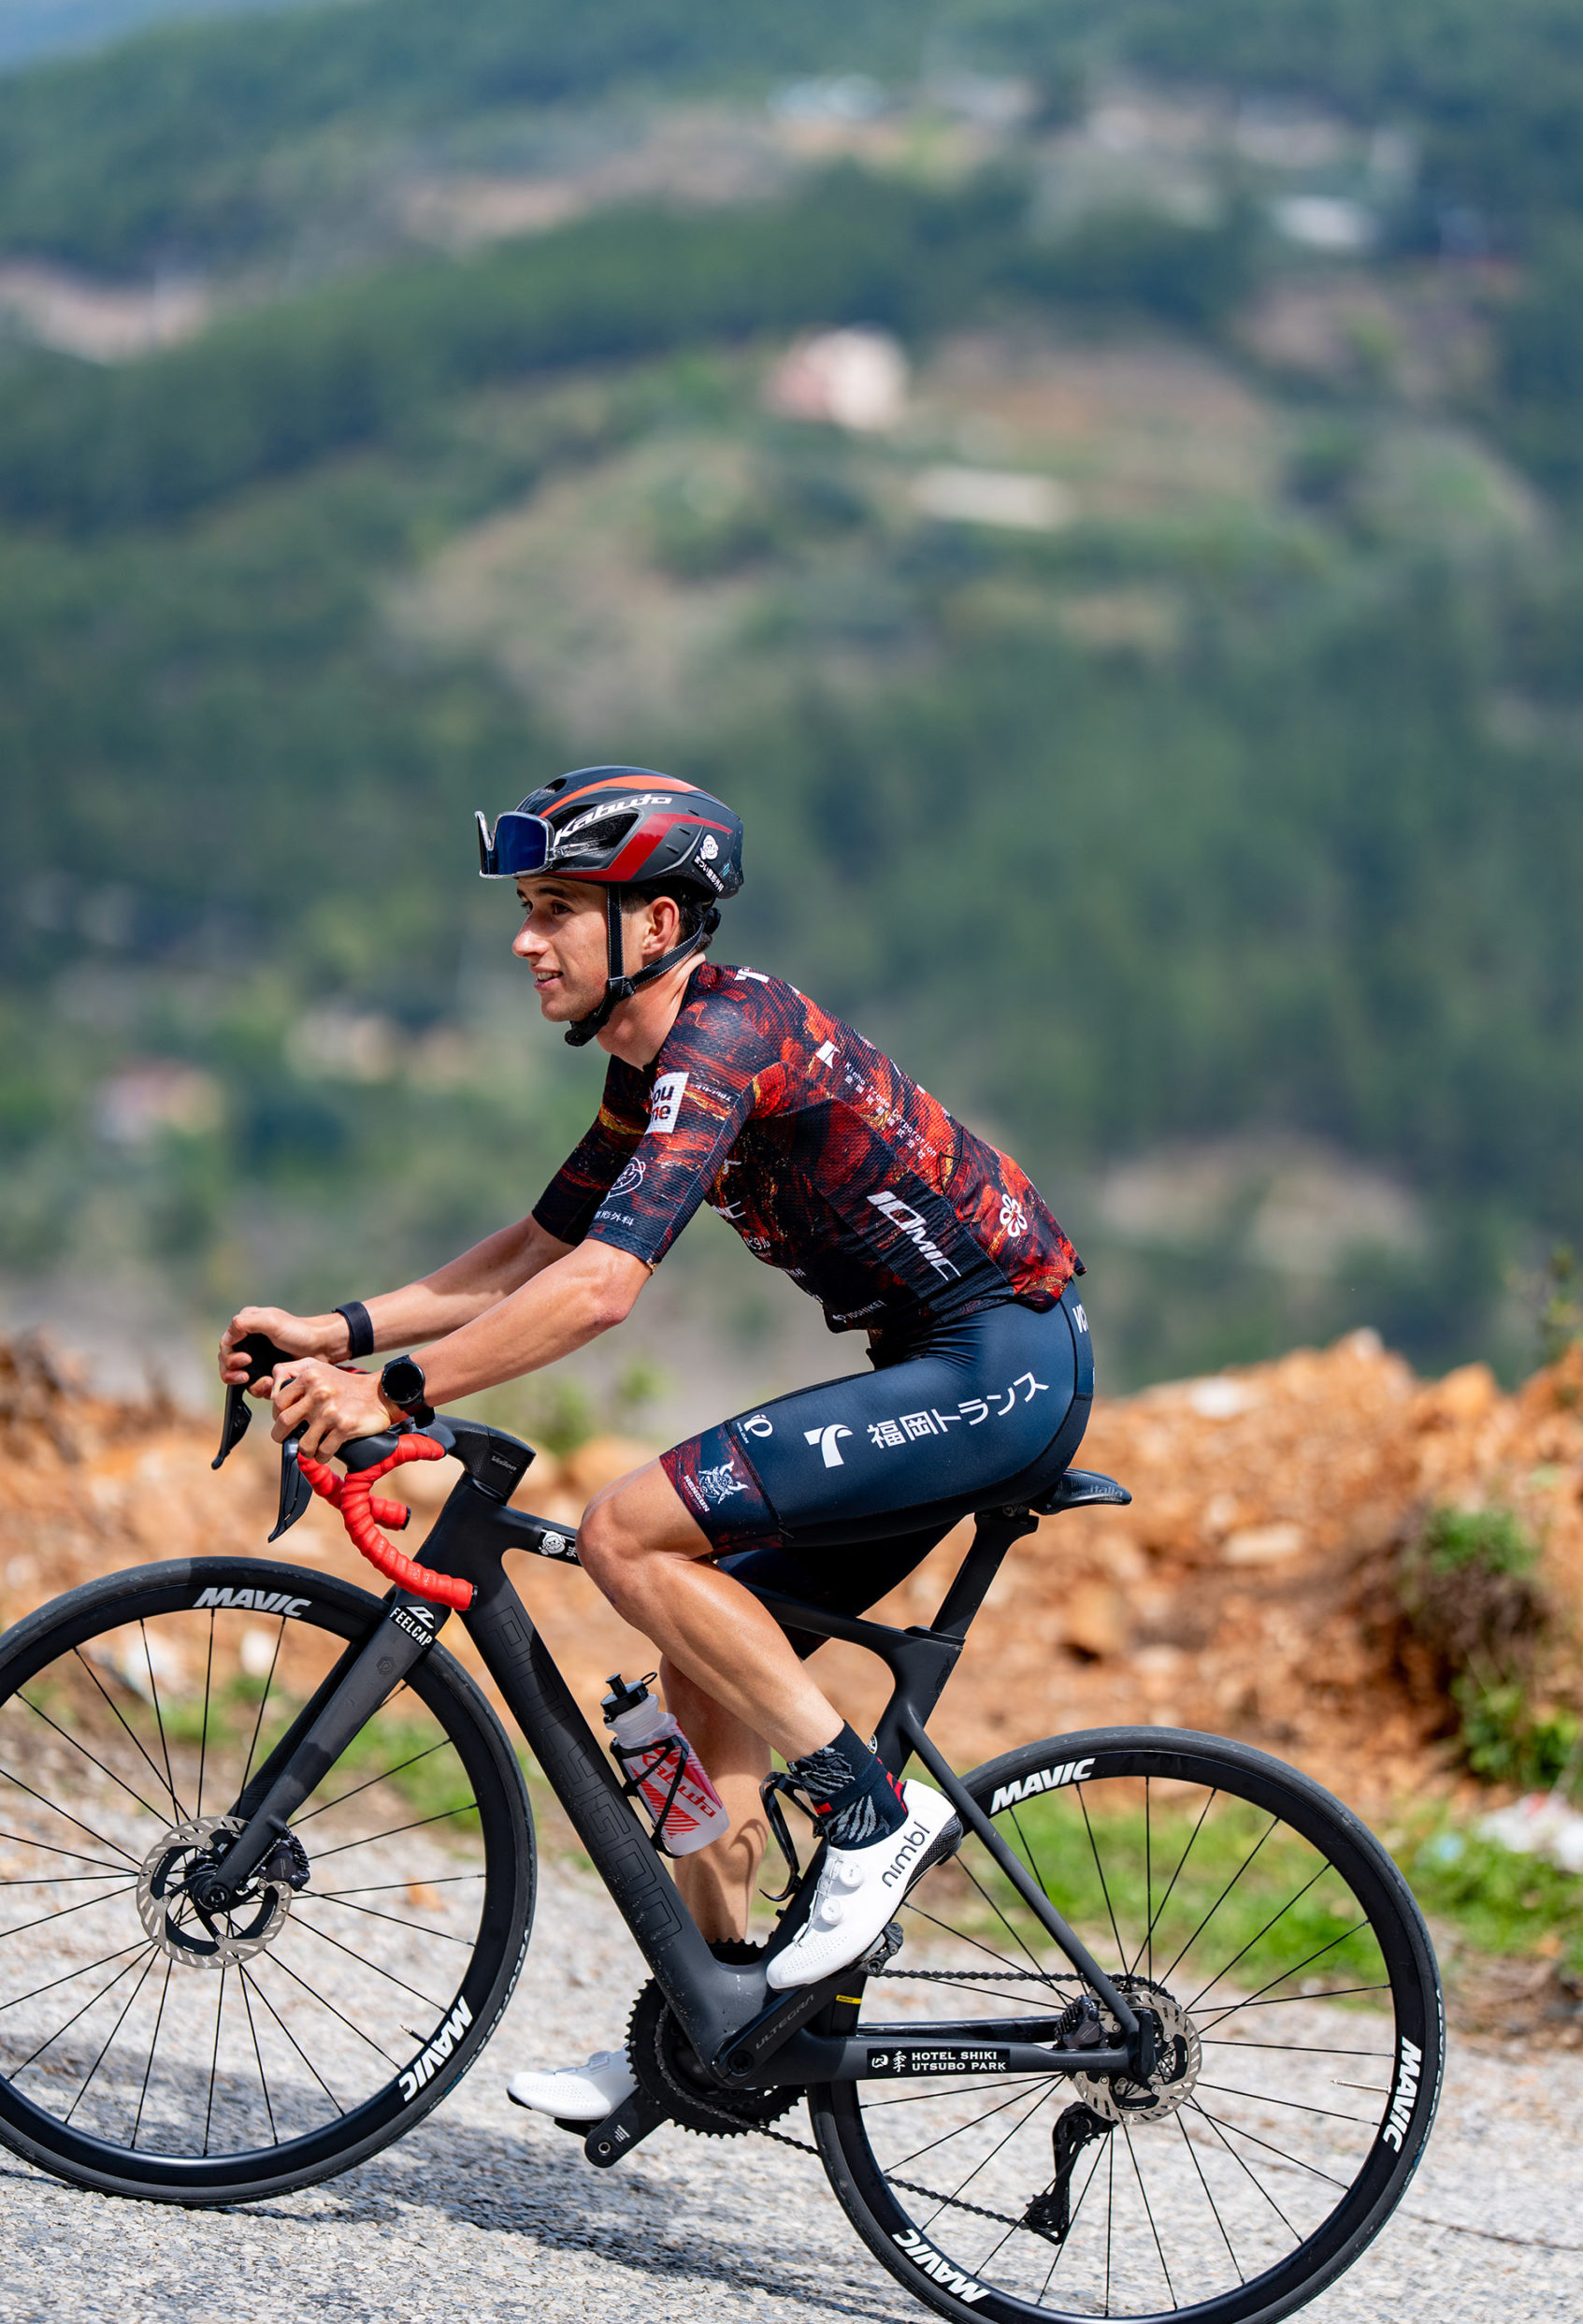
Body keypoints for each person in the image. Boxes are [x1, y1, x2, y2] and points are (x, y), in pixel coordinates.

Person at [220, 766, 1090, 2129]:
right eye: (527, 908)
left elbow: (598, 1291)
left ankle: (870, 1817)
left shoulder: (725, 1040)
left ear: (660, 924)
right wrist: (334, 1330)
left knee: (627, 1531)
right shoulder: (654, 1069)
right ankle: (717, 2014)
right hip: (942, 1370)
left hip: (1001, 1367)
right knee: (701, 1682)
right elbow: (538, 1246)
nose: (525, 940)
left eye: (557, 909)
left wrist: (394, 1395)